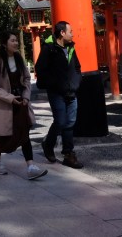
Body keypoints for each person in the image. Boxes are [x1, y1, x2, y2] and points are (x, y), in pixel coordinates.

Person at [0, 33, 47, 180]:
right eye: (12, 40)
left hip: (20, 102)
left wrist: (26, 96)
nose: (15, 43)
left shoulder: (19, 59)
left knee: (24, 132)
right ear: (5, 43)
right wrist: (10, 98)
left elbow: (27, 79)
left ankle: (31, 166)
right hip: (4, 104)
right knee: (1, 135)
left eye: (16, 40)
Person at [35, 21, 84, 169]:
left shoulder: (70, 48)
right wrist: (54, 84)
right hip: (56, 92)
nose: (73, 34)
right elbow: (40, 69)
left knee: (70, 123)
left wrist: (76, 83)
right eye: (70, 31)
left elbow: (77, 67)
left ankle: (68, 154)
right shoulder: (49, 48)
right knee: (61, 121)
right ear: (62, 33)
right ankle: (48, 144)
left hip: (71, 91)